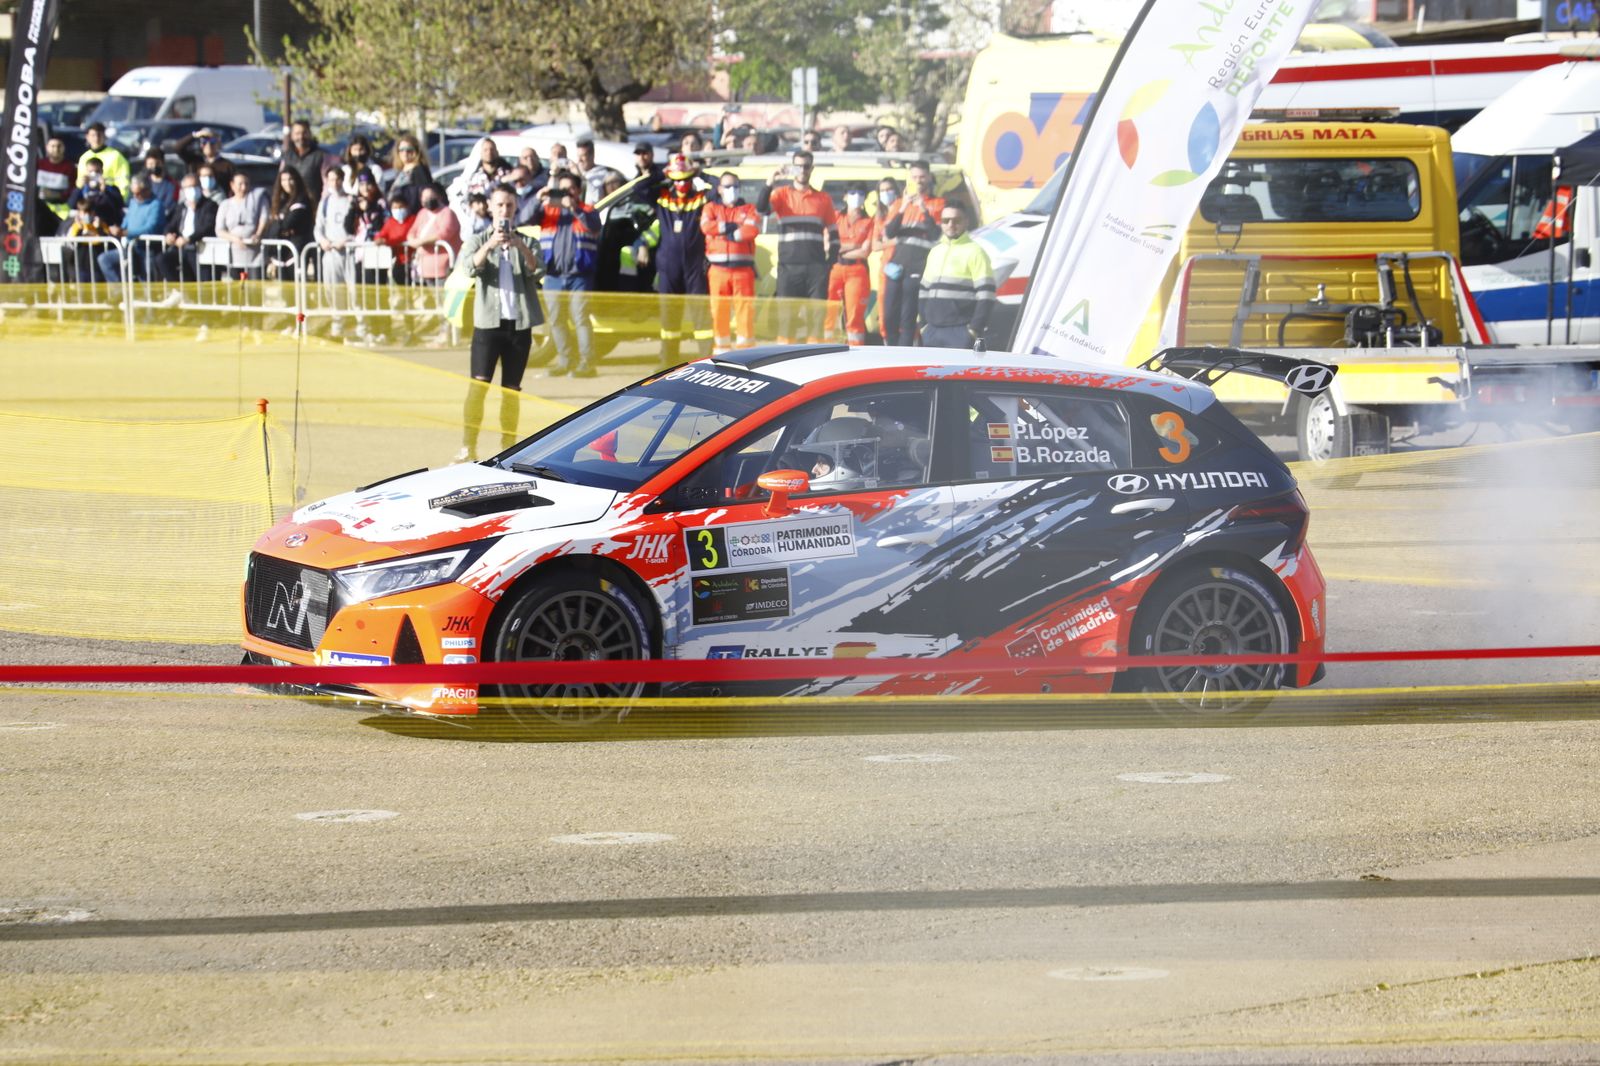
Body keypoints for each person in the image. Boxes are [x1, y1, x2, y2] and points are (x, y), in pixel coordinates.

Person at [455, 183, 544, 461]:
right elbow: (468, 267)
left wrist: (517, 245)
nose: (504, 210)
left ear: (516, 208)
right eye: (500, 205)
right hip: (488, 326)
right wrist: (491, 244)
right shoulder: (479, 239)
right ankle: (468, 445)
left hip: (518, 326)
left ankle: (509, 447)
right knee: (478, 387)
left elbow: (538, 269)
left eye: (509, 205)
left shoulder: (526, 241)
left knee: (512, 391)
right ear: (491, 208)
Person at [757, 149, 837, 343]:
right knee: (786, 322)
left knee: (815, 322)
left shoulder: (823, 199)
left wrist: (830, 263)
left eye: (806, 166)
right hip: (789, 268)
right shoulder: (781, 195)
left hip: (816, 269)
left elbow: (834, 232)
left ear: (812, 168)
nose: (802, 170)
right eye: (798, 166)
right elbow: (761, 209)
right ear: (793, 168)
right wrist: (770, 182)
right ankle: (784, 365)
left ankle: (815, 364)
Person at [639, 154, 711, 364]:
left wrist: (701, 172)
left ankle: (706, 360)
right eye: (677, 179)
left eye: (685, 178)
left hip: (694, 266)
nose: (681, 183)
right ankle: (668, 361)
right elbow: (639, 189)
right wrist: (661, 172)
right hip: (668, 266)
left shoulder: (700, 198)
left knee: (701, 317)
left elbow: (717, 190)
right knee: (669, 317)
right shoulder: (663, 197)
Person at [535, 171, 601, 376]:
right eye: (562, 189)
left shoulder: (587, 210)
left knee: (580, 318)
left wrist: (575, 209)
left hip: (579, 276)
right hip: (553, 275)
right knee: (556, 320)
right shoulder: (548, 211)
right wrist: (539, 198)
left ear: (578, 191)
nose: (566, 193)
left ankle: (587, 363)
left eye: (570, 189)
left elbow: (594, 226)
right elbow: (523, 216)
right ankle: (565, 361)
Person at [882, 160, 944, 345]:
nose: (918, 181)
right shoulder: (899, 204)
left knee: (907, 317)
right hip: (896, 265)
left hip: (917, 266)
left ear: (929, 178)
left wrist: (923, 209)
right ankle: (890, 355)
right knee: (888, 317)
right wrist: (903, 207)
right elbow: (888, 233)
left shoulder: (938, 203)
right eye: (915, 177)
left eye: (922, 177)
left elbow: (935, 235)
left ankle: (903, 357)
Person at [918, 203, 993, 349]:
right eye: (946, 220)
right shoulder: (935, 251)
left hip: (960, 331)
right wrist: (923, 325)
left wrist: (973, 330)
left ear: (966, 221)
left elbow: (987, 295)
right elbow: (923, 291)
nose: (951, 224)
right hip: (931, 330)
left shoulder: (976, 252)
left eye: (956, 220)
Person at [701, 170, 760, 349]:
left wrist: (730, 234)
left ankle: (746, 351)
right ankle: (721, 350)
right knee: (719, 312)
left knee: (745, 312)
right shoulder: (711, 207)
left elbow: (751, 230)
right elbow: (706, 226)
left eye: (735, 186)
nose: (731, 190)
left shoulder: (749, 208)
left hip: (743, 271)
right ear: (719, 189)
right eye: (727, 186)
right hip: (718, 270)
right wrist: (730, 226)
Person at [826, 185, 874, 345]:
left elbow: (865, 252)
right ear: (845, 196)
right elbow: (827, 245)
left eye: (860, 193)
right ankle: (825, 349)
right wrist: (854, 245)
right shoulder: (835, 217)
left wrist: (839, 248)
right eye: (852, 193)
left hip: (857, 270)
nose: (856, 196)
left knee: (854, 317)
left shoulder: (869, 222)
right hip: (834, 269)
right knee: (829, 313)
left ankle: (856, 352)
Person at [98, 173, 166, 282]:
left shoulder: (156, 205)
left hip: (147, 249)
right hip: (130, 247)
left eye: (138, 193)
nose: (135, 196)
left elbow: (151, 228)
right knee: (105, 259)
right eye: (133, 193)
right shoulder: (133, 202)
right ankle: (119, 293)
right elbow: (127, 220)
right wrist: (118, 229)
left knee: (146, 280)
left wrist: (126, 232)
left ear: (147, 190)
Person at [314, 160, 356, 333]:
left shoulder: (351, 200)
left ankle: (359, 321)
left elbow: (357, 226)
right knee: (332, 287)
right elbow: (318, 227)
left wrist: (347, 240)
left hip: (349, 252)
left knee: (353, 288)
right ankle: (337, 320)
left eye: (337, 179)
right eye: (331, 180)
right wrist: (322, 240)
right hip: (330, 252)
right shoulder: (325, 203)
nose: (335, 183)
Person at [157, 172, 217, 284]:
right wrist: (168, 234)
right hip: (181, 248)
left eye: (194, 186)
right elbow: (171, 224)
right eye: (188, 188)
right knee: (162, 259)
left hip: (199, 248)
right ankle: (178, 291)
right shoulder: (181, 207)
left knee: (201, 279)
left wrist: (189, 239)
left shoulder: (209, 205)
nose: (192, 190)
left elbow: (207, 227)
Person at [261, 167, 314, 280]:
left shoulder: (302, 200)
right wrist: (278, 227)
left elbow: (288, 224)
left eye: (290, 179)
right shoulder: (280, 201)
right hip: (280, 254)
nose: (287, 183)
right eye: (283, 180)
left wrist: (279, 226)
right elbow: (271, 228)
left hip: (296, 253)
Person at [448, 137, 509, 230]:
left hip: (503, 224)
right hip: (478, 226)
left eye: (492, 149)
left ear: (497, 152)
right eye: (485, 150)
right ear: (480, 153)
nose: (489, 152)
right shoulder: (472, 177)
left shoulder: (507, 174)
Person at [406, 183, 461, 286]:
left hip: (442, 268)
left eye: (431, 196)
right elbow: (412, 231)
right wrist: (412, 241)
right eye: (425, 197)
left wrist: (421, 242)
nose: (428, 199)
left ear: (438, 196)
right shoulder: (422, 213)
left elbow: (444, 234)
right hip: (422, 267)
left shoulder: (447, 213)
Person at [217, 171, 268, 278]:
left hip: (255, 253)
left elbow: (264, 217)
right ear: (232, 185)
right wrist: (234, 239)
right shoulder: (225, 204)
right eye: (240, 184)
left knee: (255, 287)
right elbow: (219, 230)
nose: (243, 187)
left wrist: (258, 233)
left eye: (246, 184)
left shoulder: (259, 198)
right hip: (234, 254)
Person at [870, 176, 901, 340]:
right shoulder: (880, 215)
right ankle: (887, 342)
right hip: (886, 267)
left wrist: (886, 241)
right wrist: (893, 241)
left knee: (902, 313)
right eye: (882, 191)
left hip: (903, 265)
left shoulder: (902, 209)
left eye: (889, 189)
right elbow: (874, 245)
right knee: (884, 312)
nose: (886, 193)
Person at [66, 158, 124, 230]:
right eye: (90, 172)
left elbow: (119, 204)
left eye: (97, 171)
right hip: (85, 227)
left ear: (102, 172)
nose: (93, 174)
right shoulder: (82, 190)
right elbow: (71, 205)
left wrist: (104, 189)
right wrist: (80, 187)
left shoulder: (111, 189)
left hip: (106, 227)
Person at [77, 122, 131, 198]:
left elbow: (124, 183)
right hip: (88, 200)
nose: (96, 138)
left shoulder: (116, 156)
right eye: (93, 135)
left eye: (99, 135)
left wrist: (119, 201)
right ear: (87, 137)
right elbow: (80, 183)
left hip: (109, 200)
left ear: (105, 136)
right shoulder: (84, 157)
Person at [373, 192, 416, 285]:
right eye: (395, 208)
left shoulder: (413, 220)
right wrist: (379, 239)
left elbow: (404, 237)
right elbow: (382, 234)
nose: (398, 210)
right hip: (398, 261)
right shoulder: (390, 222)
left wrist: (388, 242)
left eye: (401, 207)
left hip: (413, 261)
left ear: (407, 207)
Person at [280, 120, 327, 203]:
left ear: (310, 134)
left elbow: (327, 185)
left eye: (304, 133)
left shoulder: (320, 156)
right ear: (292, 136)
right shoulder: (287, 156)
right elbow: (280, 181)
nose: (301, 137)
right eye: (297, 134)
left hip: (313, 205)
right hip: (291, 204)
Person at [385, 133, 433, 213]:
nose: (405, 153)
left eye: (409, 149)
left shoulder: (419, 170)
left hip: (413, 216)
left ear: (416, 151)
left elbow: (423, 196)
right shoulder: (401, 171)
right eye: (401, 150)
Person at [37, 135, 77, 227]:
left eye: (59, 146)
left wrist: (59, 195)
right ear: (47, 147)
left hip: (61, 213)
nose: (56, 149)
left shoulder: (70, 167)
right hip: (40, 210)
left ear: (64, 148)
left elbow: (73, 189)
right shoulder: (39, 165)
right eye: (53, 146)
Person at [574, 138, 609, 206]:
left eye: (583, 156)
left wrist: (579, 177)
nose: (579, 160)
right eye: (578, 156)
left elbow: (594, 199)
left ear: (592, 155)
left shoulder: (602, 175)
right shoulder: (574, 171)